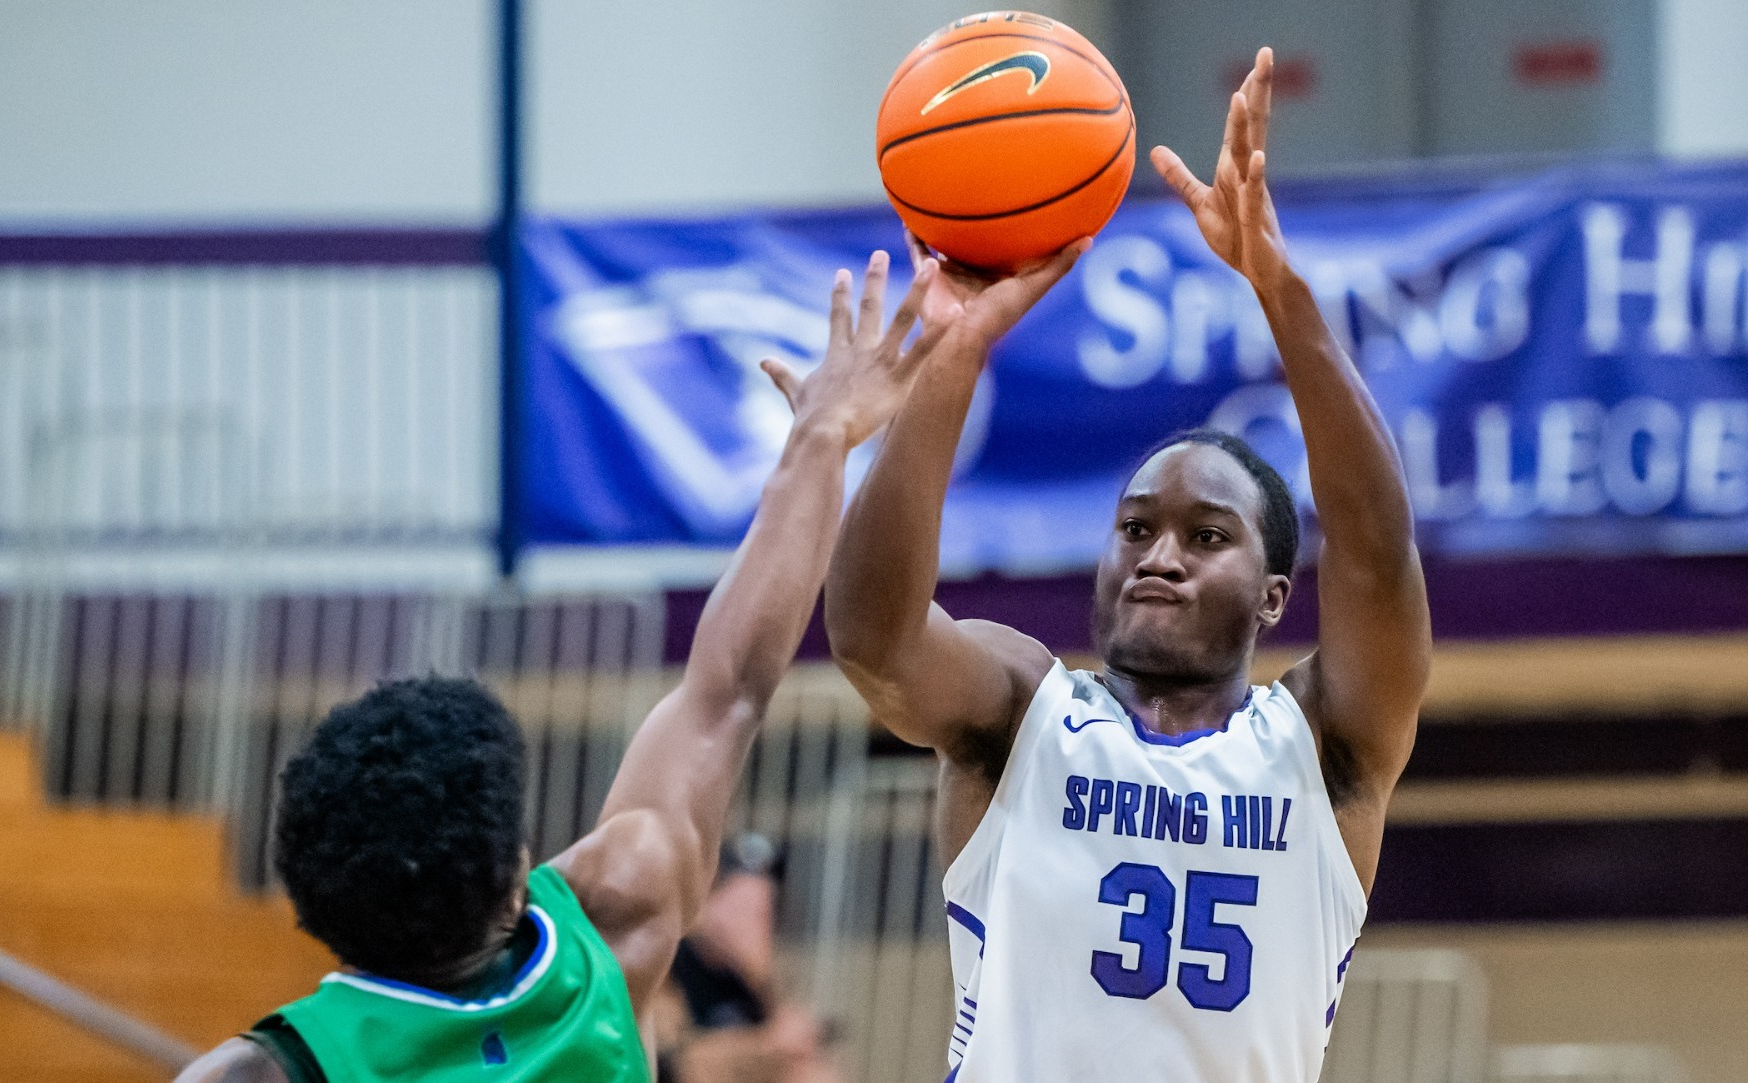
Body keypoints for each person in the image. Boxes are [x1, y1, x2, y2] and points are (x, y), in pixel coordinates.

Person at [175, 249, 953, 1082]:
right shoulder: (609, 931)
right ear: (514, 870)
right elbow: (727, 689)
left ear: (313, 897)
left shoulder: (262, 1072)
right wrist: (822, 438)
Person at [824, 48, 1431, 1083]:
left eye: (1205, 538)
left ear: (1274, 594)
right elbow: (873, 638)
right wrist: (956, 352)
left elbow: (1374, 555)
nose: (1157, 556)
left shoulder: (1323, 749)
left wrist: (1279, 293)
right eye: (1135, 527)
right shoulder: (1022, 713)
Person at [654, 835, 839, 1083]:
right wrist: (768, 1049)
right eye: (741, 908)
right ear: (706, 903)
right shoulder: (667, 966)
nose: (755, 926)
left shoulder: (750, 982)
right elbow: (669, 1065)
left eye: (763, 913)